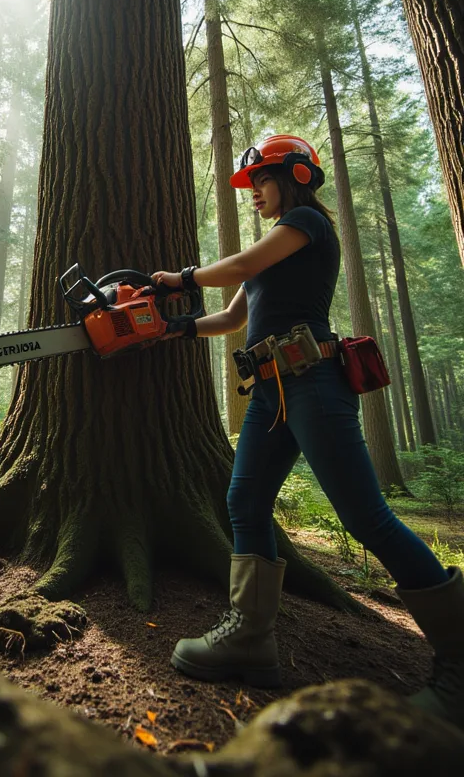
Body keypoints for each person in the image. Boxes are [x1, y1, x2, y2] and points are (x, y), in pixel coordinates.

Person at [152, 134, 463, 730]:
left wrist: (179, 278)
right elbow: (231, 317)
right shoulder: (273, 246)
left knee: (367, 517)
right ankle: (250, 637)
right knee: (244, 501)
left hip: (314, 384)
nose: (254, 197)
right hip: (271, 393)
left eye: (260, 183)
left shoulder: (303, 222)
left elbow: (235, 269)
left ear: (294, 176)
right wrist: (176, 328)